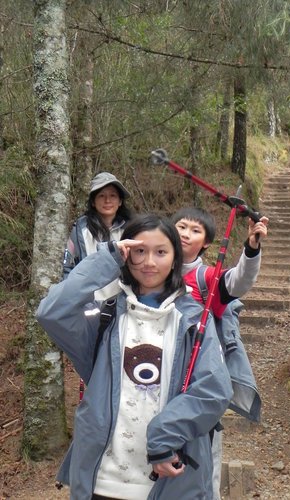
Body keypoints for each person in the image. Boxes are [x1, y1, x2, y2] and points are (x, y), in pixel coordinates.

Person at [37, 213, 233, 500]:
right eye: (140, 251)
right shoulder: (104, 319)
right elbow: (50, 312)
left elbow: (214, 390)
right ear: (127, 254)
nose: (150, 262)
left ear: (175, 258)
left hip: (168, 482)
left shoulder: (194, 321)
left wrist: (165, 435)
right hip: (101, 482)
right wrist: (107, 259)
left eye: (161, 252)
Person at [171, 206, 268, 500]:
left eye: (195, 230)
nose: (186, 234)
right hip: (160, 379)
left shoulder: (206, 279)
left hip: (200, 385)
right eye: (181, 226)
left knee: (203, 461)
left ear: (206, 243)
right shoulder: (150, 270)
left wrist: (251, 248)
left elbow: (238, 282)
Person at [63, 171, 133, 301]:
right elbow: (68, 265)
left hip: (124, 302)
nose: (107, 200)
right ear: (93, 202)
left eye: (113, 195)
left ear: (120, 201)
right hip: (89, 302)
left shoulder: (131, 228)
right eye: (101, 196)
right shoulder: (80, 230)